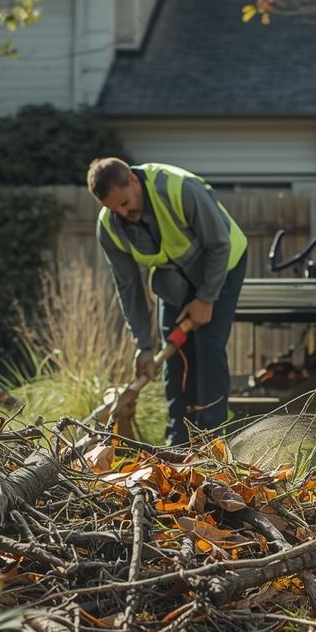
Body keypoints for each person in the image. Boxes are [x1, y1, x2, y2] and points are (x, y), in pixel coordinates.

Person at [88, 158, 248, 447]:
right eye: (114, 209)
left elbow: (219, 244)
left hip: (222, 265)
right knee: (173, 357)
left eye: (125, 203)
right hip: (173, 280)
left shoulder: (179, 188)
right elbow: (129, 287)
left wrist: (205, 298)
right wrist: (143, 346)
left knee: (208, 346)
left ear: (133, 181)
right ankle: (178, 441)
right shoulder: (110, 227)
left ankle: (211, 440)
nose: (124, 213)